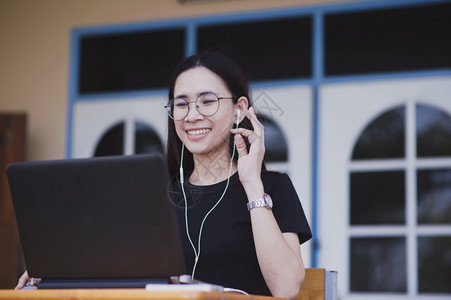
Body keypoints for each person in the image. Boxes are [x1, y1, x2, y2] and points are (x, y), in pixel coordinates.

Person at [16, 52, 312, 300]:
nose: (192, 115)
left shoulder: (272, 186)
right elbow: (117, 271)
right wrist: (56, 273)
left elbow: (285, 288)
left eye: (207, 101)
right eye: (181, 104)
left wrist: (251, 183)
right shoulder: (157, 197)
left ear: (239, 109)